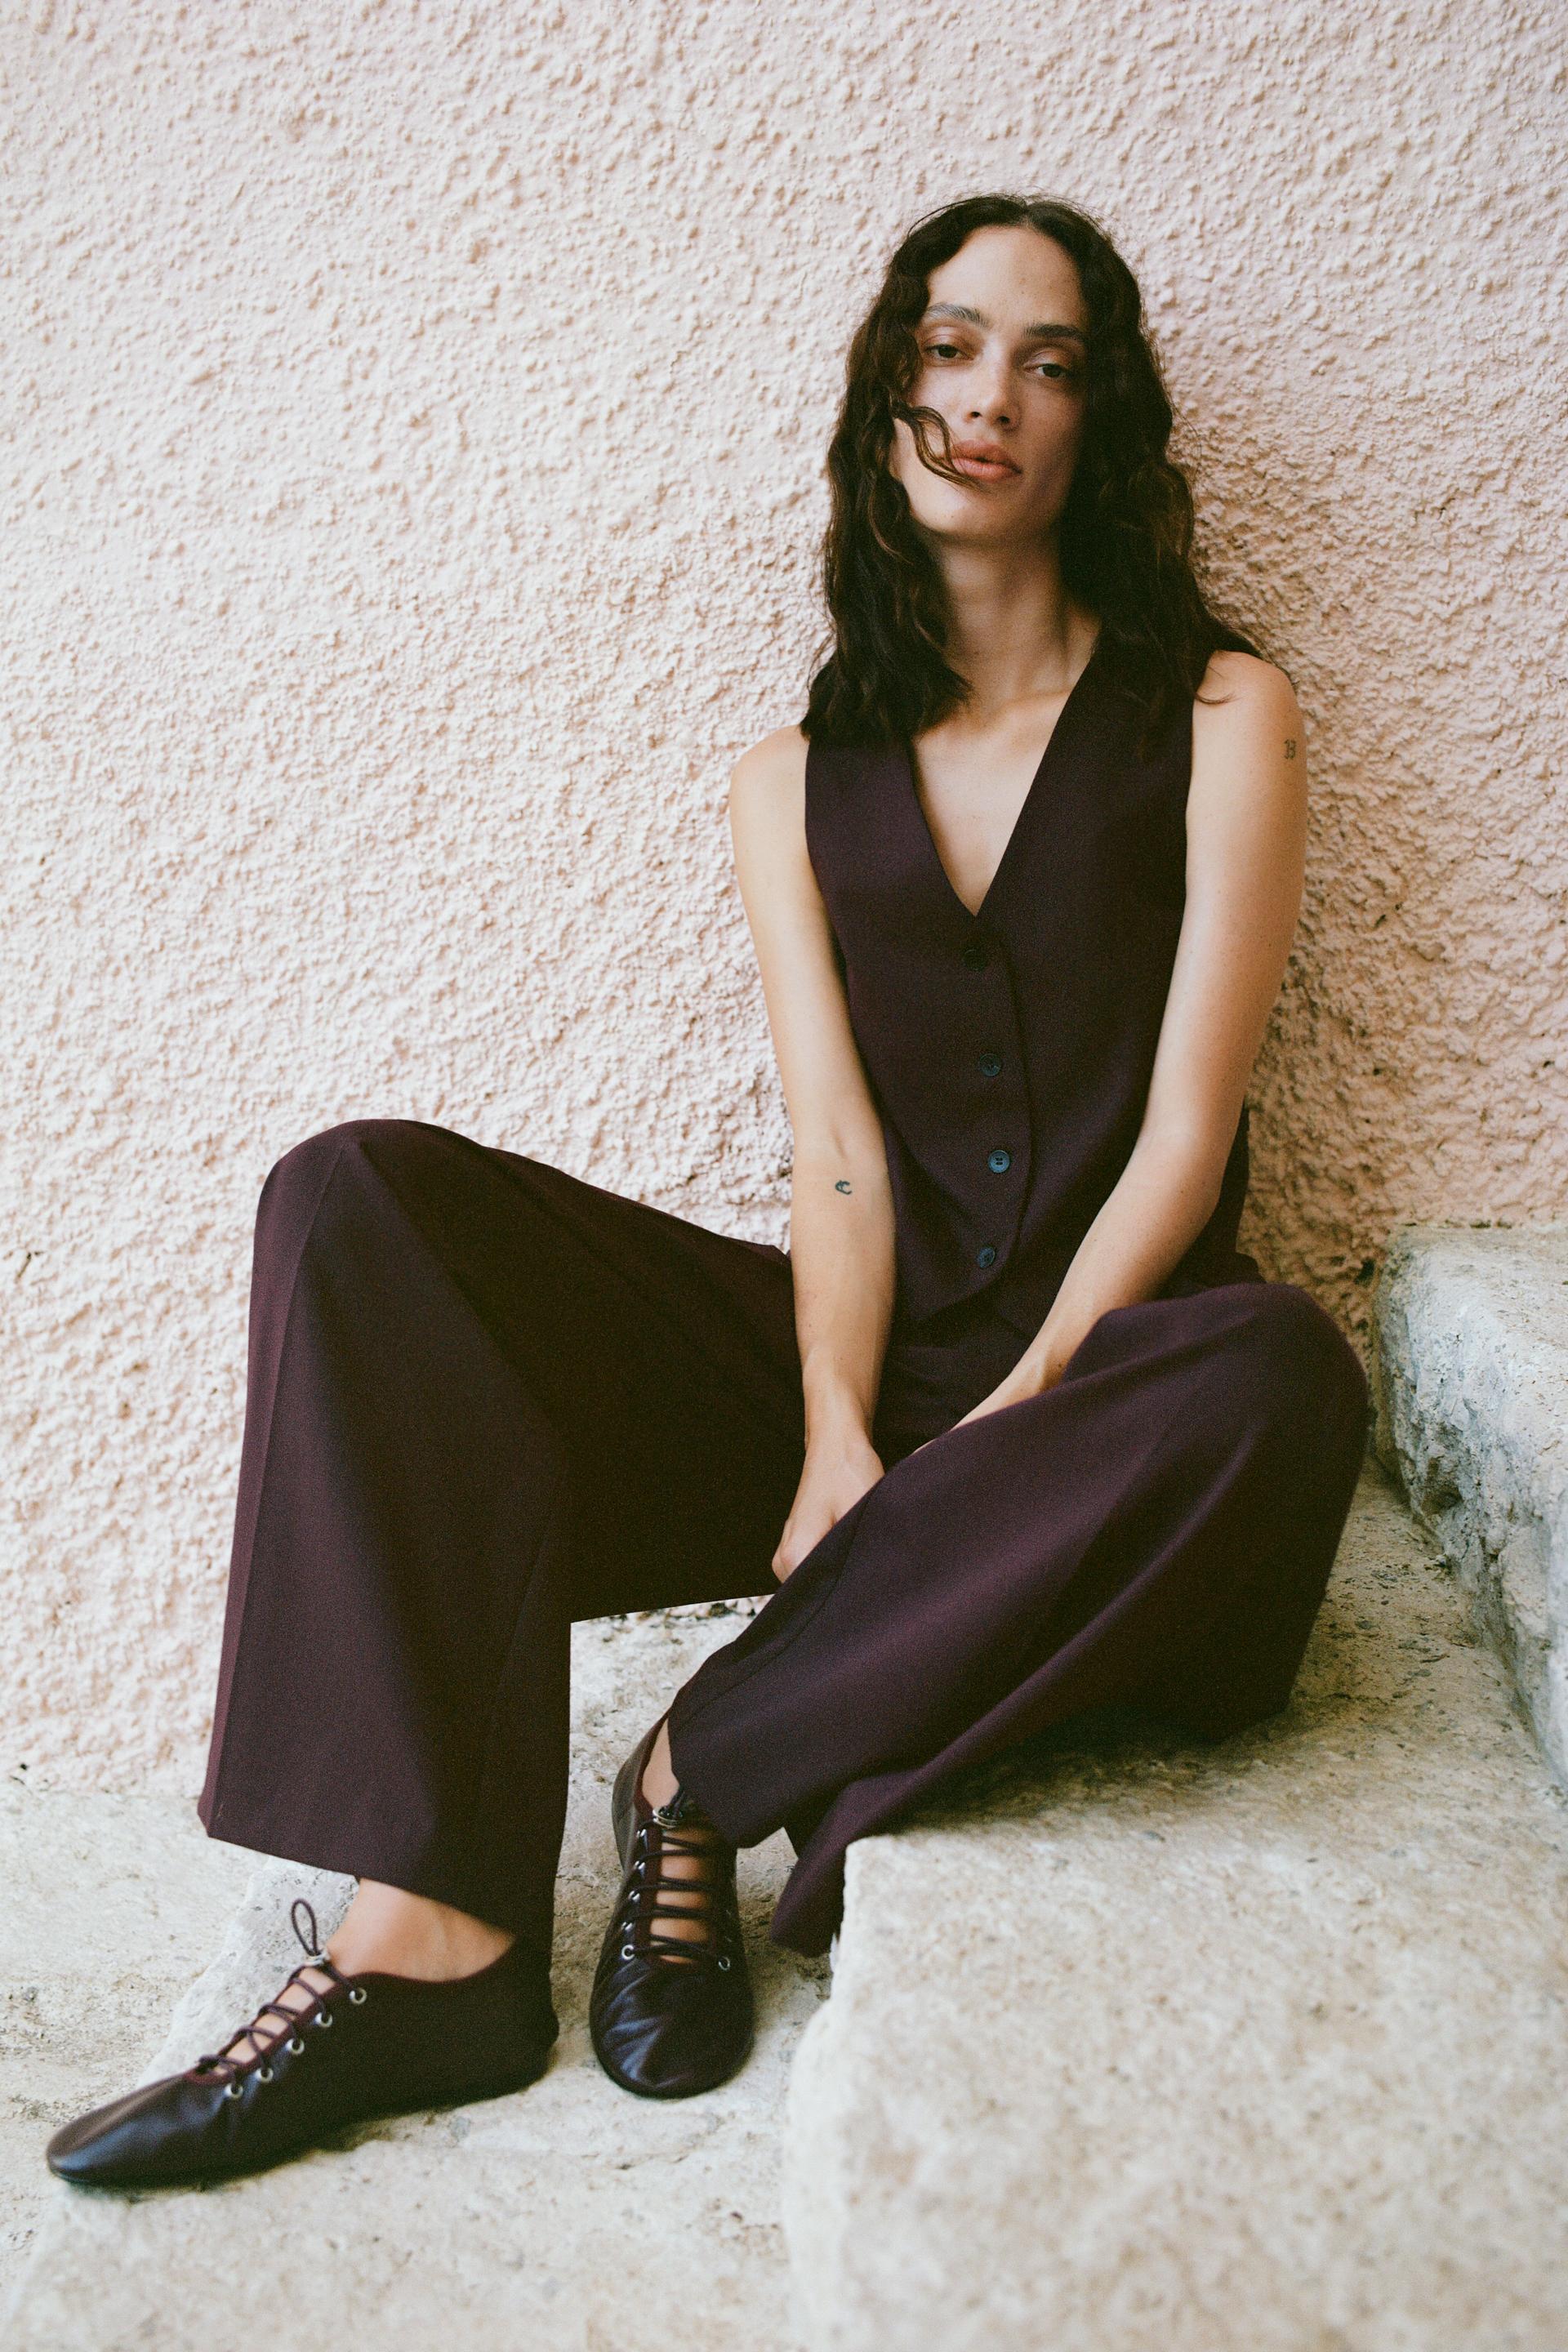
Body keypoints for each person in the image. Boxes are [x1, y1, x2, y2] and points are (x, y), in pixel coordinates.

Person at [47, 193, 1368, 2191]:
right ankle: (437, 1942)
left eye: (1048, 361)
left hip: (1115, 1437)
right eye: (947, 346)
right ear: (885, 393)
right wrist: (838, 1433)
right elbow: (839, 1150)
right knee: (359, 1200)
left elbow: (1186, 1137)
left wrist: (1003, 1426)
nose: (988, 395)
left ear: (1101, 424)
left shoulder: (1218, 714)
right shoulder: (791, 782)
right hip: (886, 1392)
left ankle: (698, 1767)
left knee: (1282, 1370)